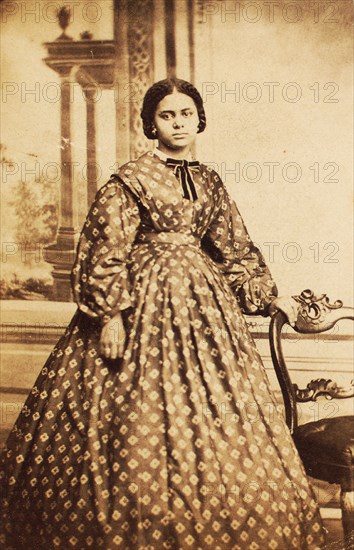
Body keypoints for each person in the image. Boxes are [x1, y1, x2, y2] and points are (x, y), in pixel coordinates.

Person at [0, 78, 325, 549]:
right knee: (135, 417)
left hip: (203, 306)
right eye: (167, 116)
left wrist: (264, 293)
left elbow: (233, 244)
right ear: (151, 123)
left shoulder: (210, 180)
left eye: (186, 114)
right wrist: (110, 315)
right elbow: (104, 247)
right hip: (142, 304)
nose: (178, 124)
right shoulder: (131, 179)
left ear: (199, 118)